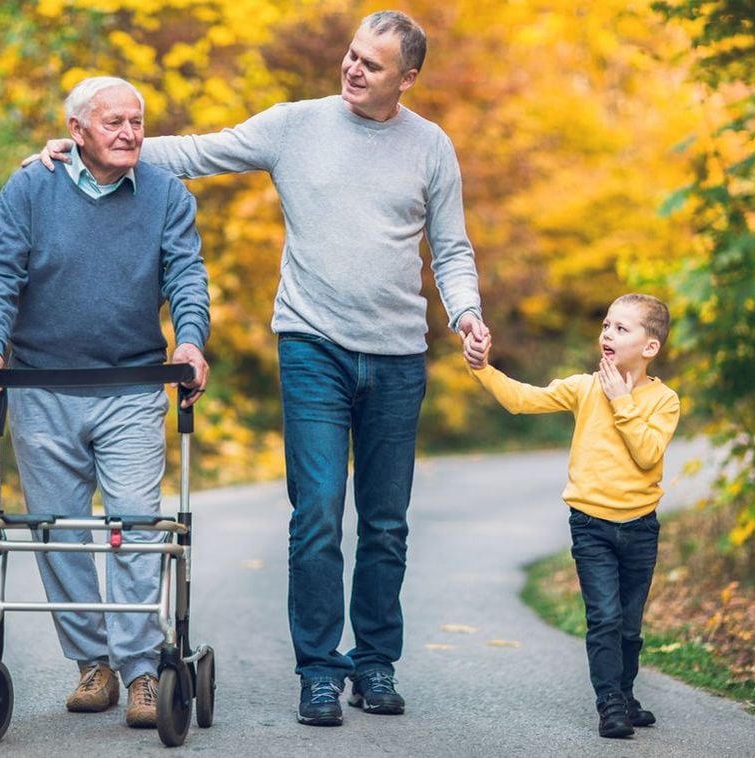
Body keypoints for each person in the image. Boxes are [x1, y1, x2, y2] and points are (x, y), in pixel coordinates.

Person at [28, 10, 488, 726]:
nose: (353, 68)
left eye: (372, 63)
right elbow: (195, 154)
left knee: (387, 523)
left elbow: (451, 248)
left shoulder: (430, 146)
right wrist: (90, 146)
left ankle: (374, 664)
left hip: (399, 356)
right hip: (311, 345)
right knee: (314, 517)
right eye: (351, 54)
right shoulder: (294, 125)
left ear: (408, 77)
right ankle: (319, 672)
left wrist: (466, 314)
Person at [0, 76, 210, 730]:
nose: (131, 132)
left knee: (133, 524)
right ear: (77, 131)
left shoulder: (165, 195)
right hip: (41, 385)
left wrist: (189, 342)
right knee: (58, 530)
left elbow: (186, 275)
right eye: (114, 122)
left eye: (137, 120)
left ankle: (138, 673)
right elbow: (0, 276)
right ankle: (92, 665)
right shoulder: (29, 188)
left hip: (131, 385)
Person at [462, 293, 680, 739]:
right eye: (605, 325)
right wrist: (482, 368)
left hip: (640, 526)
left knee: (630, 623)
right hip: (590, 525)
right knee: (604, 617)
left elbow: (647, 454)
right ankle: (610, 705)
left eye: (621, 329)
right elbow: (523, 399)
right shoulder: (584, 387)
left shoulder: (664, 401)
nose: (608, 334)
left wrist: (623, 402)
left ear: (650, 346)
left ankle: (625, 692)